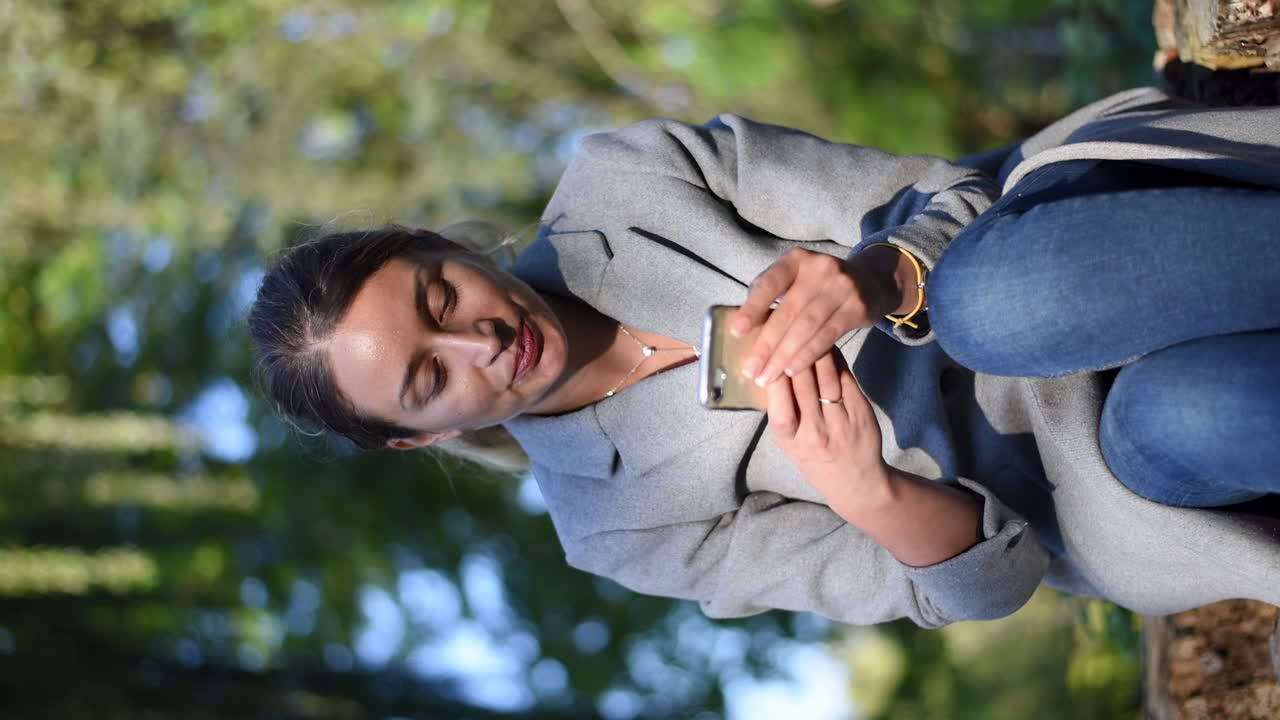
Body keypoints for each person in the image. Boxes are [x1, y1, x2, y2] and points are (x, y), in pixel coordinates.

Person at [249, 86, 1280, 629]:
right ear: (413, 437)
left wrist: (883, 277)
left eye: (440, 294)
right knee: (1174, 417)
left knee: (986, 303)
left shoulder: (625, 185)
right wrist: (867, 493)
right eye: (430, 378)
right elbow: (980, 591)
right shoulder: (617, 527)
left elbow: (956, 191)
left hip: (1085, 255)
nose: (477, 339)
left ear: (447, 247)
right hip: (1102, 480)